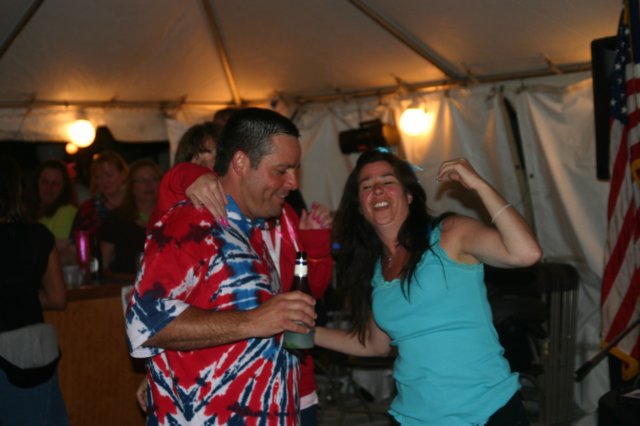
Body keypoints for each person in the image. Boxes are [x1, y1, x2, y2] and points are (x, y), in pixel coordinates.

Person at [316, 149, 543, 426]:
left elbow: (526, 253)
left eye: (387, 181)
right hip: (414, 418)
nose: (377, 190)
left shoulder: (449, 234)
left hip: (487, 412)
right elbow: (375, 345)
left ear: (408, 196)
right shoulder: (376, 272)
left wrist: (479, 185)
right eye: (366, 186)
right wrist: (307, 333)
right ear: (361, 208)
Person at [125, 107, 317, 425]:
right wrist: (253, 321)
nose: (293, 183)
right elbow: (144, 323)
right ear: (240, 163)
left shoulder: (252, 230)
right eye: (281, 170)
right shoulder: (193, 221)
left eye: (295, 170)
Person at [0, 155, 68, 425]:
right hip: (31, 353)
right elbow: (58, 298)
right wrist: (24, 293)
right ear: (18, 189)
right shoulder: (39, 235)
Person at [148, 122, 222, 227]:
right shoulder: (173, 191)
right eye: (195, 158)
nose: (202, 165)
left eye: (213, 158)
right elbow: (178, 174)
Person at [99, 159, 161, 280]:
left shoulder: (172, 216)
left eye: (154, 179)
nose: (149, 185)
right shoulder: (116, 219)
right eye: (142, 180)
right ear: (131, 186)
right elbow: (102, 266)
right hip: (125, 286)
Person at [72, 150, 128, 240]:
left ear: (123, 175)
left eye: (109, 175)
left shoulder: (136, 203)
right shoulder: (88, 210)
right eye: (98, 177)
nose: (104, 180)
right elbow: (78, 240)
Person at [34, 159, 78, 266]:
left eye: (56, 184)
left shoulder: (66, 211)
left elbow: (58, 254)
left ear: (64, 187)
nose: (49, 188)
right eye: (45, 182)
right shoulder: (32, 211)